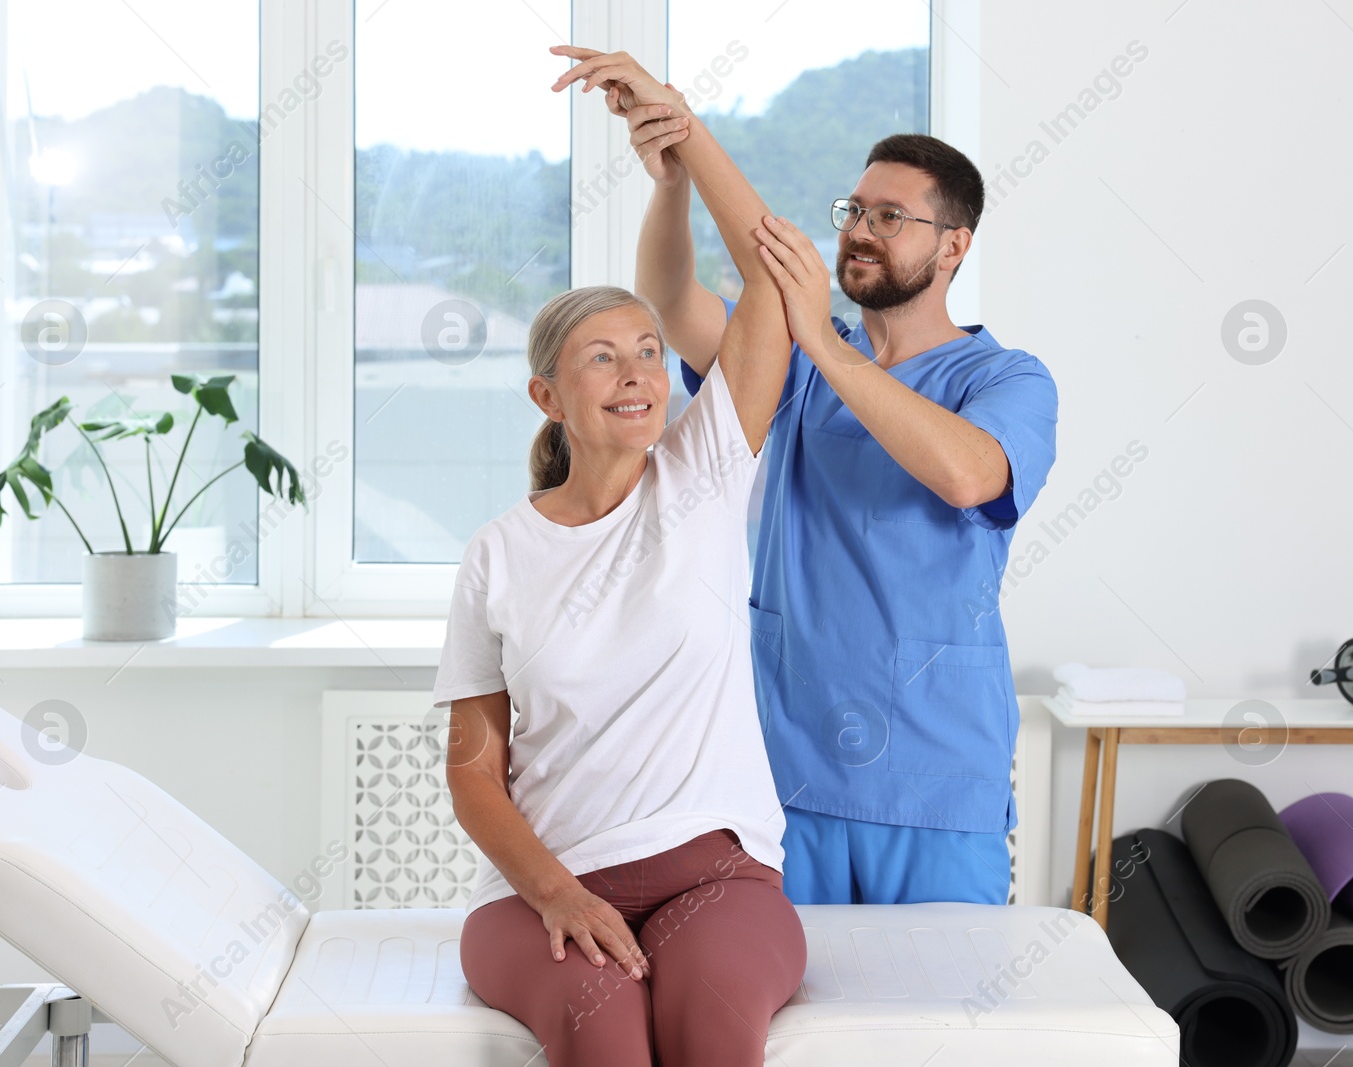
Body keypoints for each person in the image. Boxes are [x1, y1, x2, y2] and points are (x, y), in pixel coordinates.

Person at [430, 53, 834, 1065]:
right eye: (602, 356)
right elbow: (476, 772)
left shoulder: (701, 474)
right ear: (547, 398)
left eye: (649, 351)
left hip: (717, 877)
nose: (639, 373)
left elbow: (772, 278)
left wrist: (681, 138)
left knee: (709, 1028)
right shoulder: (497, 554)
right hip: (543, 887)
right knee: (601, 1026)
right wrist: (558, 892)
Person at [582, 49, 1059, 907]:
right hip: (785, 777)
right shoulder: (802, 364)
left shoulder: (1007, 380)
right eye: (854, 210)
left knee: (937, 1033)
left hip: (935, 786)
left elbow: (965, 473)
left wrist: (824, 340)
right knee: (795, 1031)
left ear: (954, 245)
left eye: (892, 216)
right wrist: (675, 172)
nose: (861, 230)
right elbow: (674, 299)